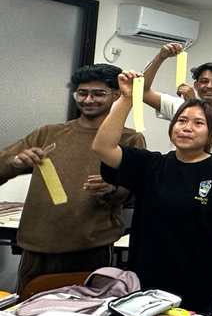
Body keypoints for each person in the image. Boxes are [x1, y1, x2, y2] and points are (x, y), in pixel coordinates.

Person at [94, 70, 212, 312]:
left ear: (211, 132)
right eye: (182, 121)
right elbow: (103, 147)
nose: (187, 128)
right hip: (148, 281)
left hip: (200, 280)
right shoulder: (150, 165)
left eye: (198, 123)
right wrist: (126, 99)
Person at [1, 64, 146, 293]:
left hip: (90, 247)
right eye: (82, 93)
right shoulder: (48, 133)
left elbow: (137, 193)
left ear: (116, 95)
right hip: (37, 246)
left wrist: (112, 188)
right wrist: (16, 162)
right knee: (27, 314)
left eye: (98, 94)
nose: (88, 100)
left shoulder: (129, 139)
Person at [141, 43, 212, 160]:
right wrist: (160, 57)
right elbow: (142, 91)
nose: (209, 86)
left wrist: (193, 103)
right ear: (196, 85)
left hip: (210, 172)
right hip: (176, 167)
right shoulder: (179, 104)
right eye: (204, 81)